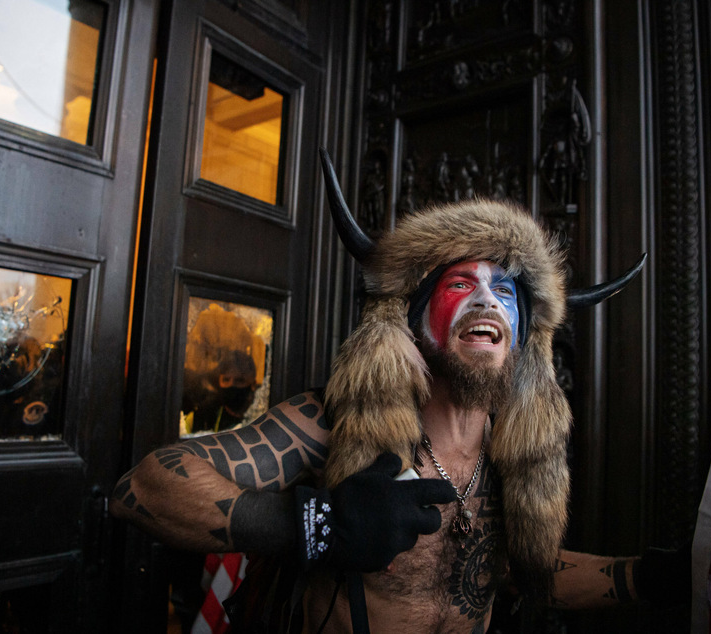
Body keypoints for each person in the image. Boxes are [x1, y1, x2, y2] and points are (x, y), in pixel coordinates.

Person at [111, 150, 671, 632]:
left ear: (523, 335)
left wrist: (647, 578)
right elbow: (142, 488)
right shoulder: (331, 423)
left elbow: (525, 573)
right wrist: (319, 524)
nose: (487, 303)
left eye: (504, 291)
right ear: (409, 318)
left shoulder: (510, 458)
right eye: (459, 285)